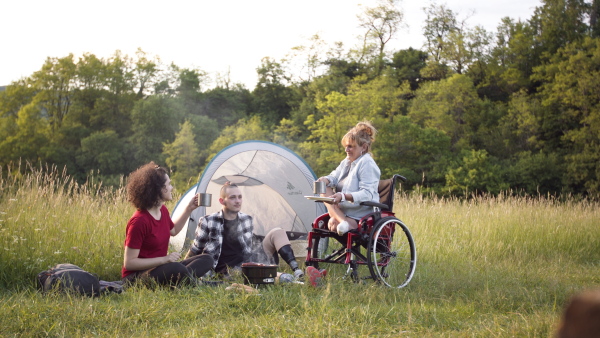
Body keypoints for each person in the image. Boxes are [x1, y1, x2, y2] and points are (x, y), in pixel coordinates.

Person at [186, 182, 305, 281]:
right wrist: (182, 267)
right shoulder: (208, 221)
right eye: (232, 197)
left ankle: (297, 271)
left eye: (240, 197)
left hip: (251, 260)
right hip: (230, 270)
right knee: (251, 272)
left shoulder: (246, 219)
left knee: (278, 231)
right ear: (222, 201)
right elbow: (196, 249)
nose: (238, 201)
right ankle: (284, 277)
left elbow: (250, 244)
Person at [121, 162, 214, 287]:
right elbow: (129, 263)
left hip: (160, 268)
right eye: (168, 184)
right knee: (175, 268)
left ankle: (183, 280)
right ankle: (201, 284)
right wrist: (164, 259)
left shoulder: (162, 211)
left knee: (207, 259)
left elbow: (174, 230)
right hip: (136, 277)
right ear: (160, 189)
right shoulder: (139, 221)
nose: (171, 188)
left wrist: (189, 209)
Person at [316, 121, 381, 235]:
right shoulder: (346, 162)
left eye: (351, 146)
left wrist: (344, 196)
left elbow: (367, 194)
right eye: (346, 146)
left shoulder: (367, 163)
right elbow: (334, 176)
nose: (346, 150)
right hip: (344, 212)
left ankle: (344, 223)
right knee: (324, 189)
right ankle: (344, 222)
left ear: (364, 147)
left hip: (361, 214)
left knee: (333, 223)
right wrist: (325, 180)